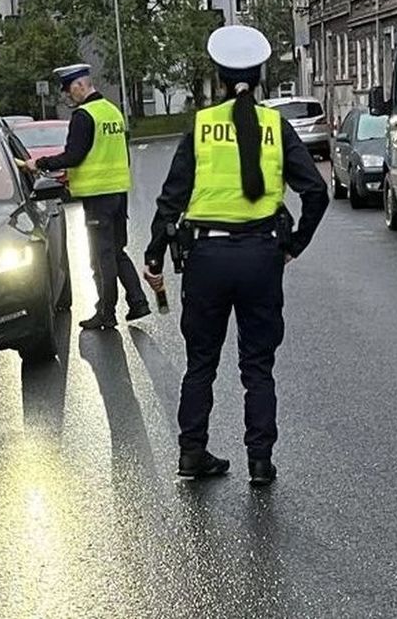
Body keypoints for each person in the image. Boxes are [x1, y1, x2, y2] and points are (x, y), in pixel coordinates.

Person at [143, 25, 328, 486]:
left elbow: (172, 198)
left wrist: (154, 254)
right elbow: (317, 193)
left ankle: (192, 453)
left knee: (200, 363)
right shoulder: (275, 127)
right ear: (261, 77)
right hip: (261, 257)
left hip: (206, 258)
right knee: (257, 367)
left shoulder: (203, 128)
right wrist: (293, 245)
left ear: (219, 79)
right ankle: (260, 462)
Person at [25, 64, 150, 330]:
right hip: (118, 192)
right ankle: (138, 302)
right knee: (117, 251)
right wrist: (72, 175)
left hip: (98, 197)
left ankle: (106, 313)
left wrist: (41, 163)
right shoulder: (112, 111)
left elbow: (74, 156)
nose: (69, 97)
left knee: (101, 256)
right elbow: (110, 154)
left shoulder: (84, 116)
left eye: (70, 90)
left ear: (81, 85)